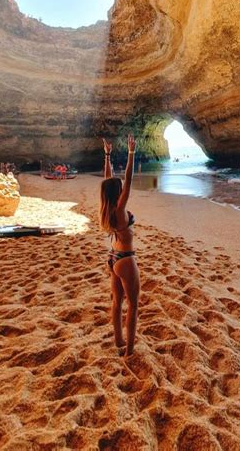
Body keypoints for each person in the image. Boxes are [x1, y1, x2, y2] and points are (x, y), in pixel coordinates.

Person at [99, 134, 140, 357]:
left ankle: (118, 341)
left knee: (117, 302)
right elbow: (129, 179)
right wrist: (131, 153)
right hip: (125, 259)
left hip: (113, 258)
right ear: (119, 194)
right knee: (132, 306)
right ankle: (130, 351)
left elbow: (109, 181)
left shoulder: (107, 208)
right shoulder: (121, 211)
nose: (123, 188)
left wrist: (107, 155)